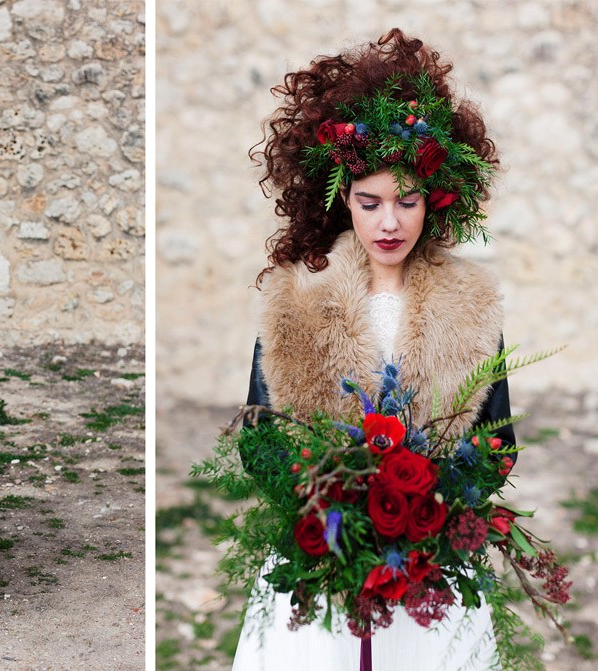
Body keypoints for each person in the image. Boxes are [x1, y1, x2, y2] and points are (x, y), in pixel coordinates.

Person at [231, 29, 515, 671]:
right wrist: (334, 504)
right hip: (324, 553)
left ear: (436, 201)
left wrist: (431, 507)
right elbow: (258, 437)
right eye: (371, 202)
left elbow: (500, 441)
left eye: (407, 201)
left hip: (430, 563)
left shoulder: (473, 304)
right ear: (340, 202)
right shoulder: (295, 299)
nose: (390, 222)